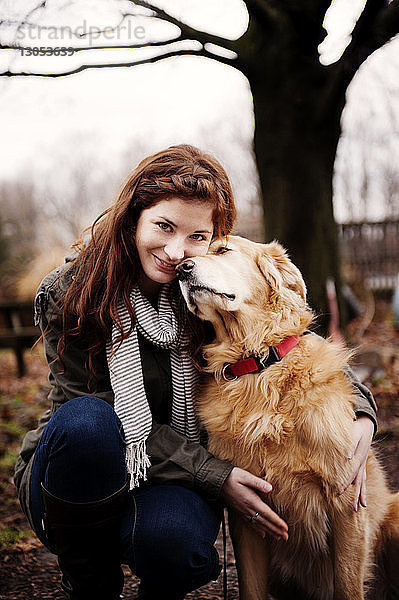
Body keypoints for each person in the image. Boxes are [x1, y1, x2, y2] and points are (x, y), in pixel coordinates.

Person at [14, 144, 377, 600]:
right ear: (133, 218)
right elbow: (92, 410)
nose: (175, 252)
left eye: (197, 237)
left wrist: (361, 412)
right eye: (163, 226)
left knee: (180, 548)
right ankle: (89, 582)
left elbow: (290, 345)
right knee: (88, 422)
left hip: (167, 476)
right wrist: (216, 475)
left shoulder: (205, 293)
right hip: (82, 473)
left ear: (212, 239)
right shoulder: (74, 290)